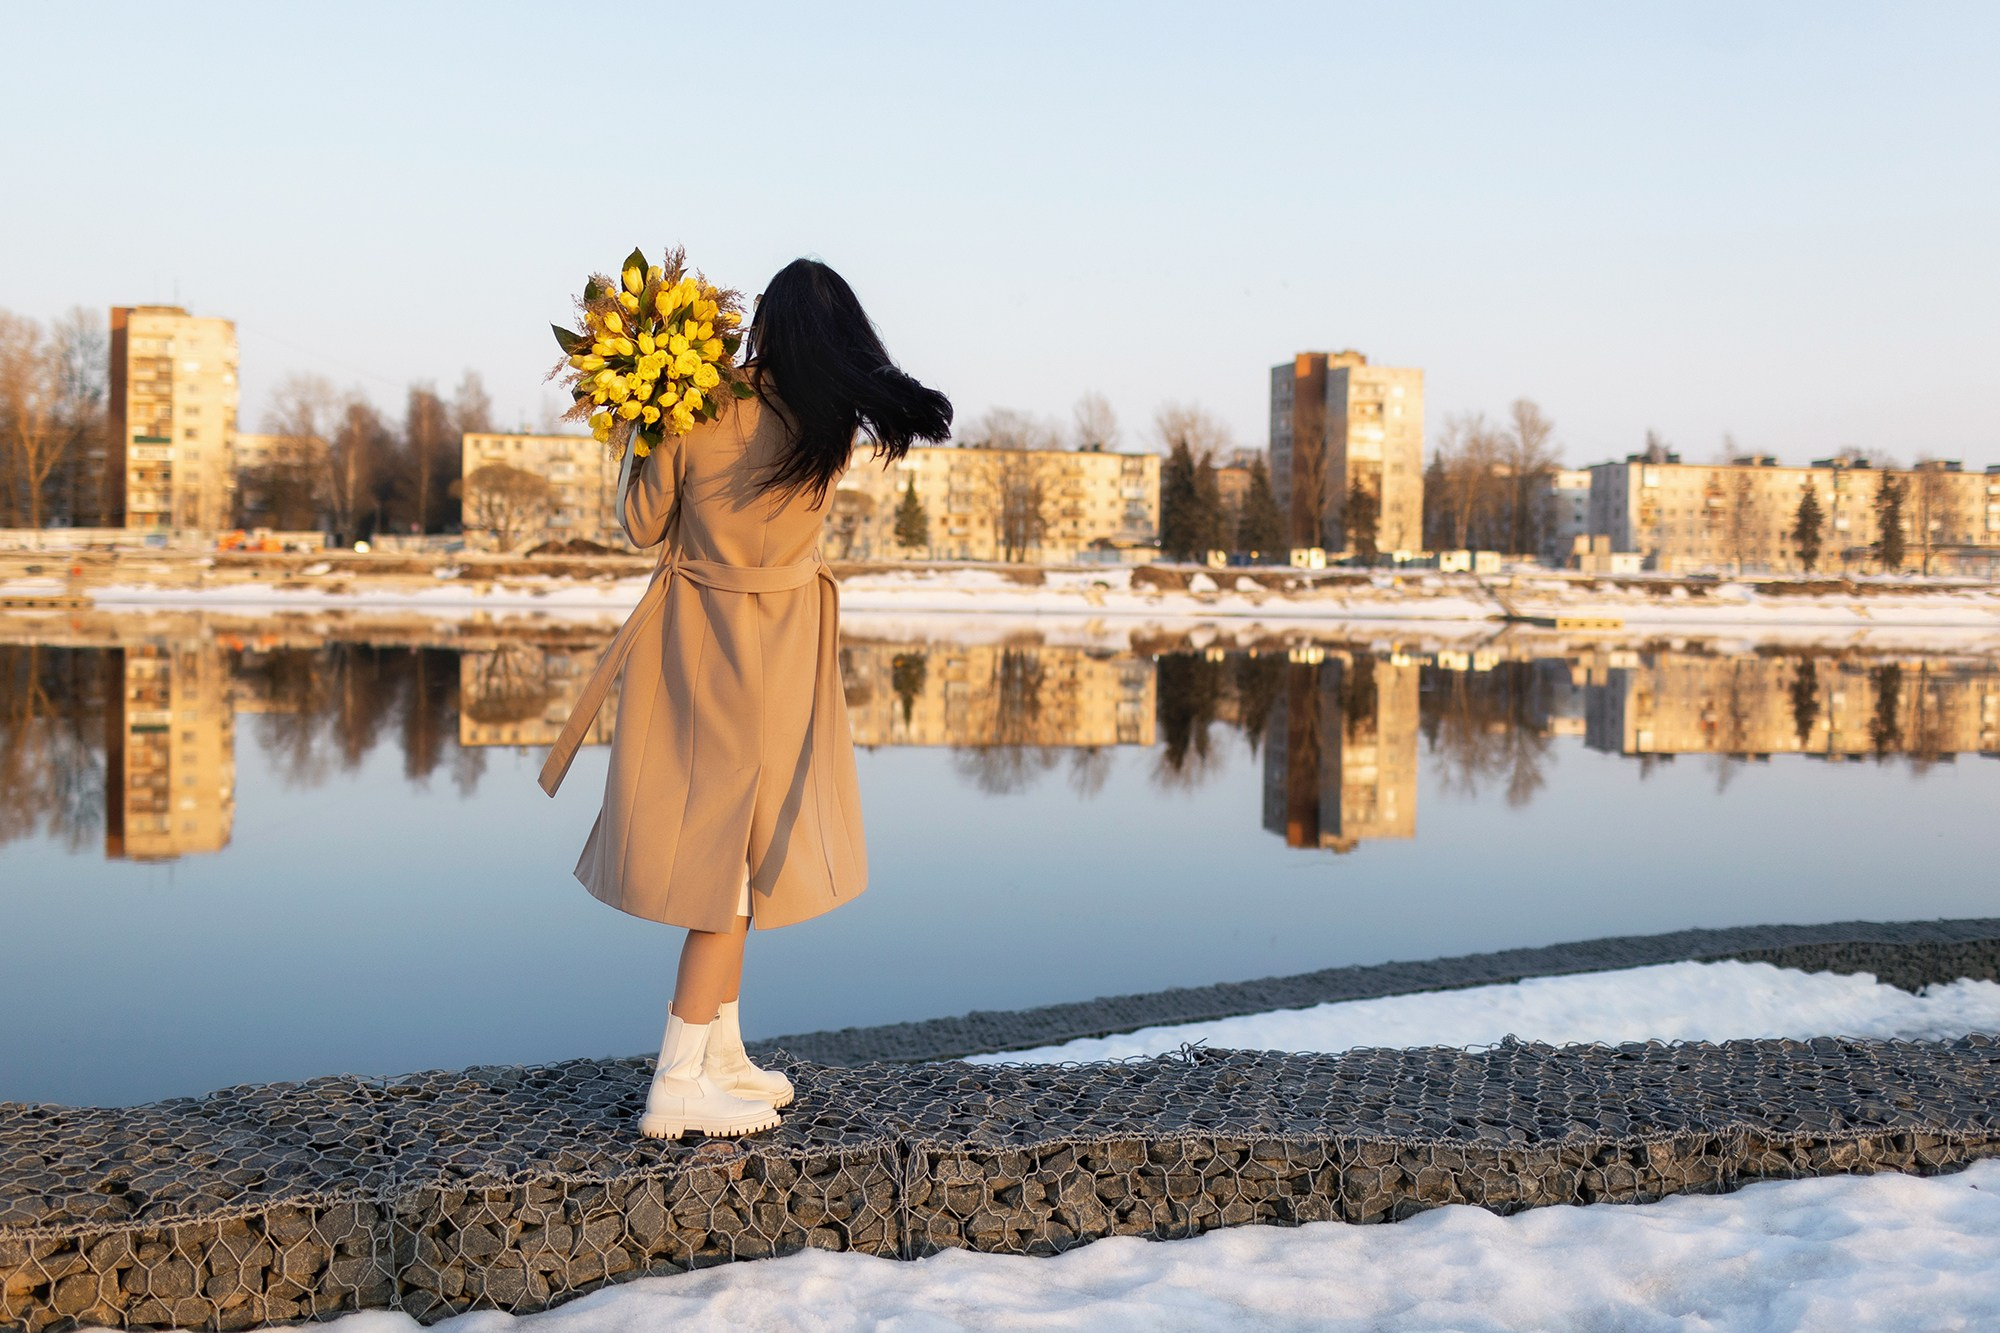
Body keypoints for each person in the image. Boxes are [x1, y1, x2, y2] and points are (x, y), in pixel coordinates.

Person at [538, 258, 952, 1139]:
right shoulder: (828, 426)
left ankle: (708, 1058)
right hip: (786, 646)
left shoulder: (695, 404)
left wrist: (643, 428)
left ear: (762, 323)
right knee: (743, 851)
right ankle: (684, 1072)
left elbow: (644, 525)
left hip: (700, 642)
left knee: (719, 853)